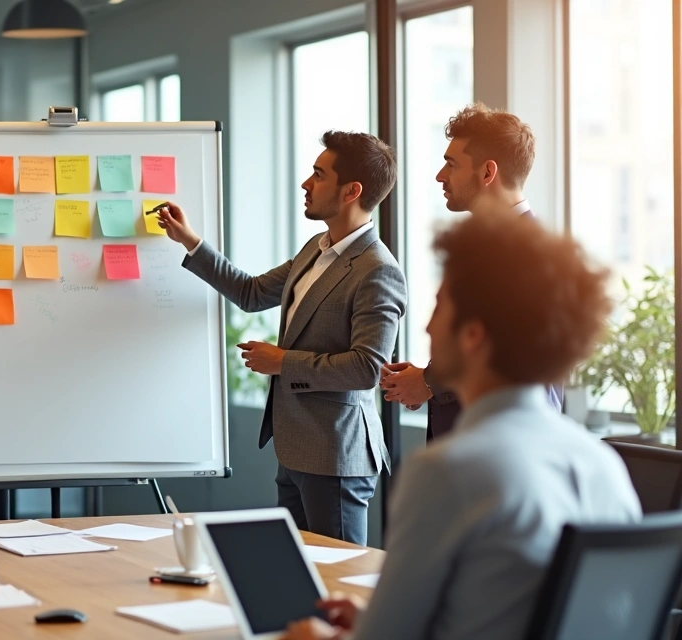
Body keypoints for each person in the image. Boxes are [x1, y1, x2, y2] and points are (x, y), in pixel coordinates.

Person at [285, 213, 642, 640]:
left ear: (472, 335)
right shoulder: (605, 467)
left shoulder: (449, 471)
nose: (427, 325)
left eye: (439, 305)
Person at [156, 131, 406, 545]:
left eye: (318, 174)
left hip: (336, 455)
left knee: (335, 580)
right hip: (294, 450)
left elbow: (367, 367)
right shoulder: (316, 249)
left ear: (351, 191)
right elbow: (251, 293)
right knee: (298, 578)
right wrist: (190, 242)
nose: (306, 184)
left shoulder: (377, 270)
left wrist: (281, 361)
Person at [380, 103, 562, 441]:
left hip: (501, 450)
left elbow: (509, 359)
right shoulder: (495, 245)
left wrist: (428, 381)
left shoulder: (524, 253)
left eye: (451, 164)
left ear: (487, 172)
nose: (440, 175)